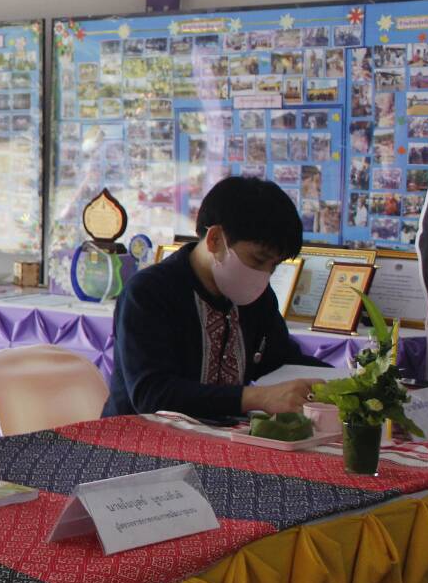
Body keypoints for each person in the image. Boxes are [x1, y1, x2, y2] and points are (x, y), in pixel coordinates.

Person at [104, 176, 327, 420]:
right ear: (215, 239)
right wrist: (257, 397)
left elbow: (281, 362)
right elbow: (152, 395)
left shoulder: (257, 298)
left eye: (274, 266)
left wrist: (348, 381)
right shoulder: (148, 293)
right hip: (137, 442)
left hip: (220, 441)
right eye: (258, 260)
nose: (264, 275)